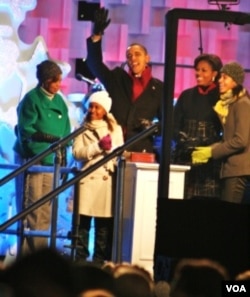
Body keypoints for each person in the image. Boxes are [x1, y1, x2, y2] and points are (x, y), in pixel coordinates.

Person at [85, 7, 163, 153]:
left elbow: (165, 123)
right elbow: (94, 63)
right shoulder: (117, 78)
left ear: (147, 58)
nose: (132, 58)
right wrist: (96, 36)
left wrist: (153, 128)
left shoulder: (159, 88)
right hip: (114, 147)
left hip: (142, 149)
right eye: (129, 56)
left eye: (137, 54)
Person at [13, 59, 71, 253]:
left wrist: (63, 150)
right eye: (55, 81)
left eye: (59, 80)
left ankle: (41, 253)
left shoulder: (60, 101)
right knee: (32, 208)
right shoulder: (32, 99)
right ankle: (31, 257)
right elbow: (26, 130)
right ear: (45, 80)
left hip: (52, 160)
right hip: (35, 160)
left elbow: (66, 130)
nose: (58, 85)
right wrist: (45, 142)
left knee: (46, 209)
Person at [72, 90, 124, 265]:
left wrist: (109, 149)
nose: (92, 110)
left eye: (97, 107)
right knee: (82, 226)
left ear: (105, 110)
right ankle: (79, 263)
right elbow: (77, 153)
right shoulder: (81, 128)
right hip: (87, 180)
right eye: (90, 106)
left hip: (105, 181)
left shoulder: (115, 129)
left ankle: (99, 264)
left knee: (103, 228)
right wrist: (98, 146)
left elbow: (119, 154)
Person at [192, 61, 250, 204]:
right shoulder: (232, 104)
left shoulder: (242, 104)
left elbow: (240, 140)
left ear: (235, 81)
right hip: (231, 169)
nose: (220, 81)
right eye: (220, 77)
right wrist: (209, 149)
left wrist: (212, 153)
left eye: (225, 77)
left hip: (238, 169)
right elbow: (228, 139)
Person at [173, 53, 223, 199]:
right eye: (197, 69)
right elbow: (174, 124)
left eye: (203, 70)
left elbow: (225, 132)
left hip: (209, 161)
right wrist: (181, 140)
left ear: (214, 73)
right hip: (184, 156)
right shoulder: (186, 95)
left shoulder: (221, 98)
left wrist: (207, 146)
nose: (198, 73)